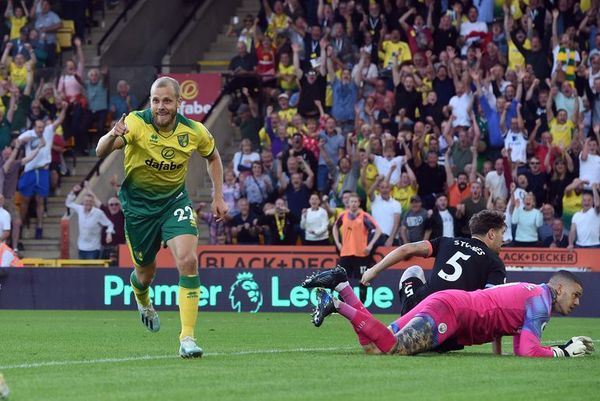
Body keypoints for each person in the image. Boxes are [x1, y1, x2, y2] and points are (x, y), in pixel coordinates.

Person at [95, 76, 228, 358]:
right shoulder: (135, 122)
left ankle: (187, 337)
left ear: (179, 103)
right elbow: (100, 151)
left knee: (188, 260)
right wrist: (111, 135)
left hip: (174, 202)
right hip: (139, 210)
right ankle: (143, 299)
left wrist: (218, 196)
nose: (161, 106)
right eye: (156, 100)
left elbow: (213, 157)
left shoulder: (194, 131)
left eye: (167, 101)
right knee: (145, 274)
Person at [305, 268, 594, 358]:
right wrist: (564, 351)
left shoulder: (532, 291)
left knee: (372, 345)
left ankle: (342, 285)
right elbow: (529, 351)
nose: (577, 302)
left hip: (449, 303)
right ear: (559, 289)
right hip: (452, 313)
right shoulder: (541, 304)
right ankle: (337, 305)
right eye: (576, 295)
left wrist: (498, 353)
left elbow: (512, 334)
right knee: (392, 348)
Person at [362, 209, 507, 322]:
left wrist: (373, 270)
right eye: (502, 233)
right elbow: (491, 306)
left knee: (414, 271)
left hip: (423, 312)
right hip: (454, 328)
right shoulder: (495, 263)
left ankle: (407, 320)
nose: (504, 240)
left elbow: (406, 249)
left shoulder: (446, 242)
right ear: (491, 234)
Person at [17, 105, 67, 239]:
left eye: (42, 127)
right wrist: (22, 141)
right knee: (25, 200)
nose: (40, 129)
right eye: (38, 127)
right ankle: (20, 226)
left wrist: (64, 108)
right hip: (29, 170)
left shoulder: (48, 131)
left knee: (40, 201)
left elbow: (59, 120)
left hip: (43, 171)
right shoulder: (29, 134)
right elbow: (16, 142)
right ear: (34, 126)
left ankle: (39, 227)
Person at [332, 192, 381, 301]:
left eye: (355, 201)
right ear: (348, 203)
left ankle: (362, 306)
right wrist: (338, 243)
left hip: (361, 253)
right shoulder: (343, 215)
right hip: (345, 252)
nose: (353, 204)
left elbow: (378, 230)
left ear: (359, 203)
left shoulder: (364, 216)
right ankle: (341, 304)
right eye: (351, 202)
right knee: (341, 279)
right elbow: (334, 227)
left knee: (363, 280)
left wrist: (370, 245)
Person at [65, 185, 115, 259]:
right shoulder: (80, 209)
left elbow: (110, 224)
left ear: (93, 203)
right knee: (81, 270)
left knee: (91, 270)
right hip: (81, 247)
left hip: (94, 248)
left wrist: (109, 233)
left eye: (90, 201)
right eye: (86, 201)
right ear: (83, 202)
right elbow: (68, 203)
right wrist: (73, 191)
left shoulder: (98, 213)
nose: (88, 203)